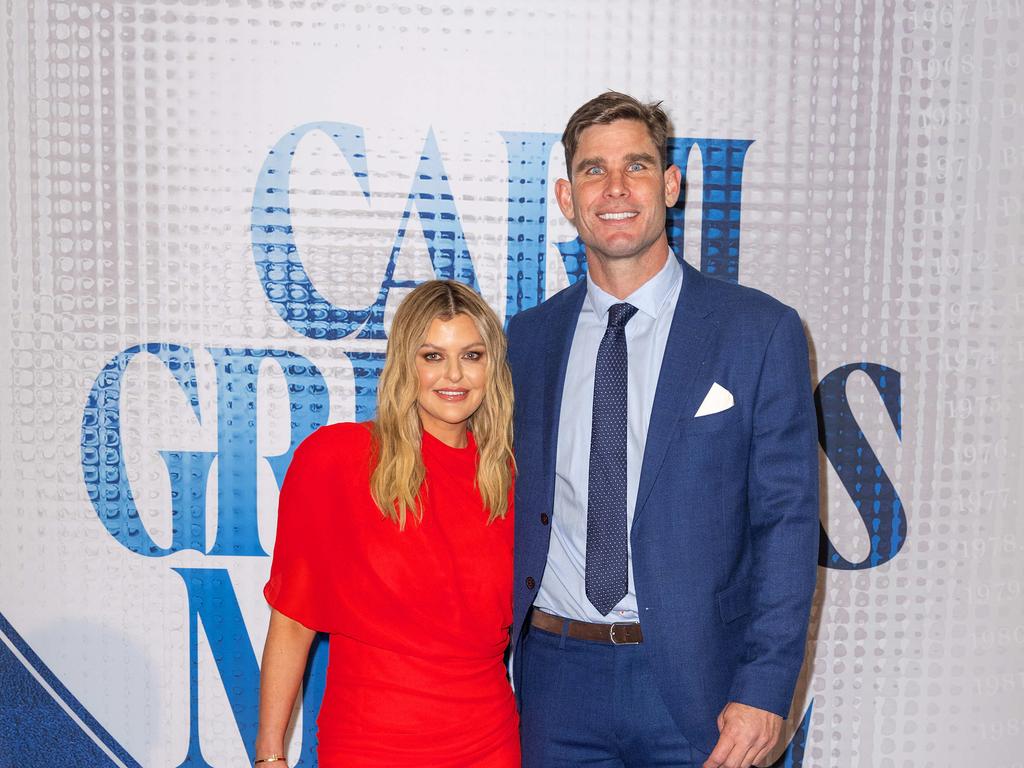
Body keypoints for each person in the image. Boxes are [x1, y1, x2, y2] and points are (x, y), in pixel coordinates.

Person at [506, 91, 819, 768]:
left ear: (670, 185)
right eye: (593, 170)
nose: (615, 188)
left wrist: (766, 688)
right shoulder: (526, 342)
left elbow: (788, 523)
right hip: (556, 685)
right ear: (567, 196)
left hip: (700, 684)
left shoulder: (757, 331)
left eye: (637, 166)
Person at [255, 280, 520, 767]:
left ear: (492, 367)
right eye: (433, 356)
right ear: (406, 363)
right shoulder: (338, 460)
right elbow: (292, 623)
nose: (455, 375)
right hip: (369, 744)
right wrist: (270, 756)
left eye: (473, 355)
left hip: (489, 743)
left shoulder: (508, 477)